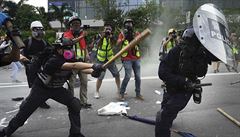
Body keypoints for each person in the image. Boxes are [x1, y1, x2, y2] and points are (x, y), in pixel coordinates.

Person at [0, 40, 105, 137]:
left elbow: (81, 69)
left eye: (71, 48)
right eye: (67, 48)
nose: (70, 51)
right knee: (24, 113)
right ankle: (7, 131)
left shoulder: (71, 60)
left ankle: (75, 133)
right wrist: (93, 65)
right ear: (59, 49)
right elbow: (73, 66)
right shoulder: (54, 60)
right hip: (41, 89)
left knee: (75, 104)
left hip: (57, 89)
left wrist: (94, 72)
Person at [155, 27, 219, 137]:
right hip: (172, 87)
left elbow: (218, 56)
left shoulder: (201, 53)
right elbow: (162, 72)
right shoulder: (176, 51)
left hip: (185, 91)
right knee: (164, 112)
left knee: (164, 115)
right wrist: (183, 81)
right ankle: (166, 124)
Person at [20, 20, 51, 109]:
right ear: (32, 30)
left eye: (41, 29)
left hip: (42, 67)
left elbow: (51, 52)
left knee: (42, 85)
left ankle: (40, 101)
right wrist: (25, 61)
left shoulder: (44, 42)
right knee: (34, 86)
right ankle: (30, 103)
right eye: (37, 29)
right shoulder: (27, 42)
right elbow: (20, 54)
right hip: (31, 67)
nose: (39, 31)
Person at [63, 16, 91, 108]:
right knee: (71, 84)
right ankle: (70, 102)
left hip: (82, 62)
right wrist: (82, 35)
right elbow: (71, 42)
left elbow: (84, 47)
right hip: (72, 63)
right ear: (70, 25)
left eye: (78, 24)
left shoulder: (81, 35)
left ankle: (84, 102)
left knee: (84, 83)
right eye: (74, 24)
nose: (76, 26)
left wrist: (87, 54)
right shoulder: (67, 34)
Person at [117, 19, 143, 101]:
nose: (129, 25)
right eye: (127, 23)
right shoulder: (122, 34)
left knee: (138, 77)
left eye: (130, 23)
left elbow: (140, 40)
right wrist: (124, 38)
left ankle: (138, 94)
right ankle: (121, 93)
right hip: (126, 58)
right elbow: (118, 44)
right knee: (127, 76)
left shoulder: (136, 33)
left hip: (136, 58)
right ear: (124, 25)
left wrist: (135, 37)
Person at [94, 24, 121, 99]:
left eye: (109, 30)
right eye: (106, 30)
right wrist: (103, 37)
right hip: (101, 60)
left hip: (110, 59)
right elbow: (97, 45)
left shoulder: (112, 37)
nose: (108, 31)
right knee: (100, 77)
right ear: (103, 30)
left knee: (116, 74)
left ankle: (119, 90)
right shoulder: (99, 36)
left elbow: (115, 44)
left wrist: (111, 38)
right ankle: (97, 91)